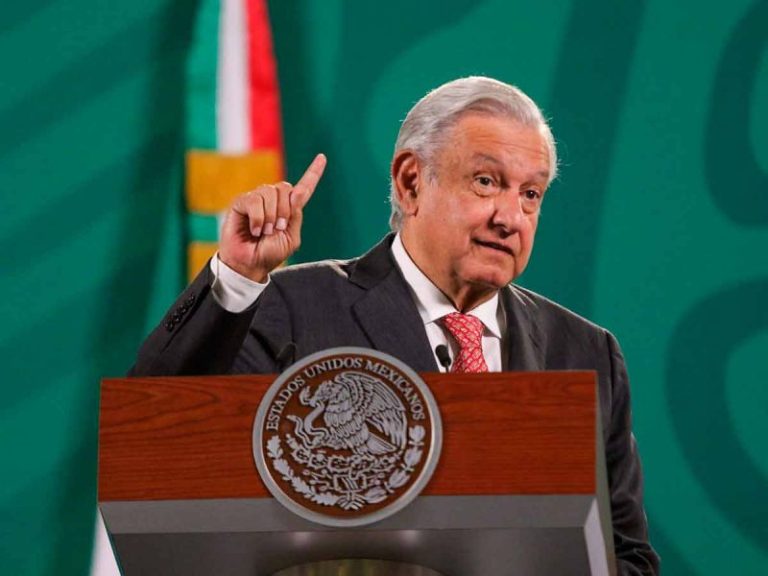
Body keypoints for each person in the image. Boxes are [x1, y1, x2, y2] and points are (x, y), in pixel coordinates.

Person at [131, 76, 659, 574]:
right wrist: (236, 277)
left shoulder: (586, 352)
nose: (510, 218)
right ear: (411, 183)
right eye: (486, 182)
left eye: (530, 194)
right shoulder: (290, 308)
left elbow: (628, 555)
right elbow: (154, 435)